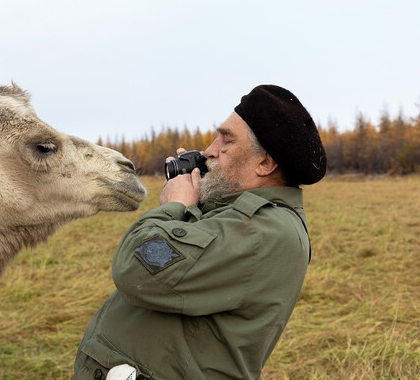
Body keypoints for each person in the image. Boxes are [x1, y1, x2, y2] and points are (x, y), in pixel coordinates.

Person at [72, 85, 327, 380]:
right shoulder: (238, 216)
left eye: (226, 140)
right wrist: (203, 191)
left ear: (265, 163)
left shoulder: (262, 231)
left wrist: (175, 205)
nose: (209, 150)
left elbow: (138, 268)